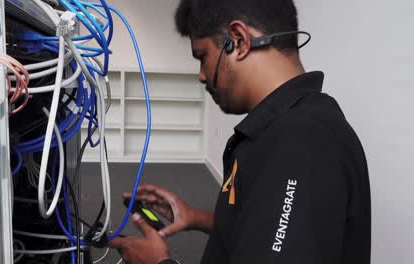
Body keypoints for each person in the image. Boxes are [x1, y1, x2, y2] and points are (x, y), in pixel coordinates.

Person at [108, 0, 371, 263]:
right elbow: (265, 230)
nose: (201, 75)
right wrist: (195, 217)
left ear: (239, 41)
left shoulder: (301, 142)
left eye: (202, 57)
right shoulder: (284, 127)